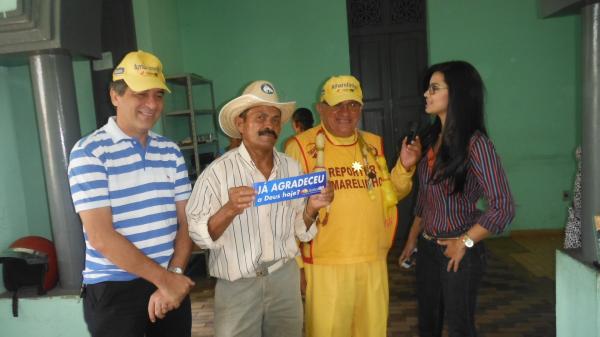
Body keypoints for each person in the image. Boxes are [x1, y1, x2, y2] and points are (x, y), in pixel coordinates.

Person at [186, 80, 334, 337]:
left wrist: (312, 207)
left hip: (284, 278)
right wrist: (229, 209)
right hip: (237, 286)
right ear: (240, 125)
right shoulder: (216, 174)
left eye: (275, 119)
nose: (270, 125)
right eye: (260, 117)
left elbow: (300, 228)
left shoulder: (291, 168)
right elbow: (197, 239)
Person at [67, 50, 195, 337]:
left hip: (169, 283)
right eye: (141, 93)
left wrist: (173, 277)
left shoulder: (170, 151)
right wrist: (165, 280)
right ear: (115, 95)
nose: (152, 104)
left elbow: (187, 221)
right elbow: (101, 236)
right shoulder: (89, 152)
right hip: (116, 289)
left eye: (158, 95)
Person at [285, 75, 422, 337]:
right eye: (336, 105)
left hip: (372, 260)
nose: (345, 112)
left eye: (352, 104)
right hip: (324, 265)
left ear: (361, 108)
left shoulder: (373, 144)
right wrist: (298, 267)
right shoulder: (300, 147)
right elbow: (287, 212)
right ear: (320, 108)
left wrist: (404, 167)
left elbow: (388, 195)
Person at [398, 61, 515, 337]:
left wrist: (465, 242)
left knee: (460, 327)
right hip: (427, 250)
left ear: (458, 94)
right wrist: (413, 238)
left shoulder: (476, 144)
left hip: (458, 253)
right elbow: (425, 197)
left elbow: (503, 207)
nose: (426, 94)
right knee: (428, 325)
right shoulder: (430, 139)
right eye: (428, 89)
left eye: (434, 88)